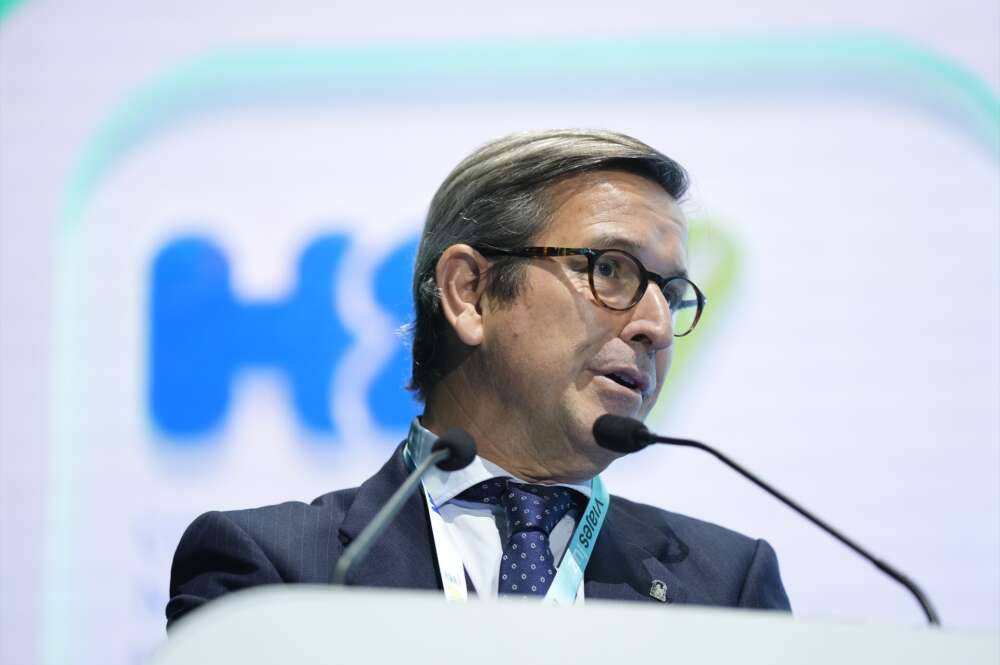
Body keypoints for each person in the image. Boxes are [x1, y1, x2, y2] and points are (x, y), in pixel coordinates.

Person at [166, 129, 790, 628]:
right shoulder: (278, 576)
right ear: (470, 293)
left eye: (673, 294)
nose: (655, 323)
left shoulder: (725, 588)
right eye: (612, 270)